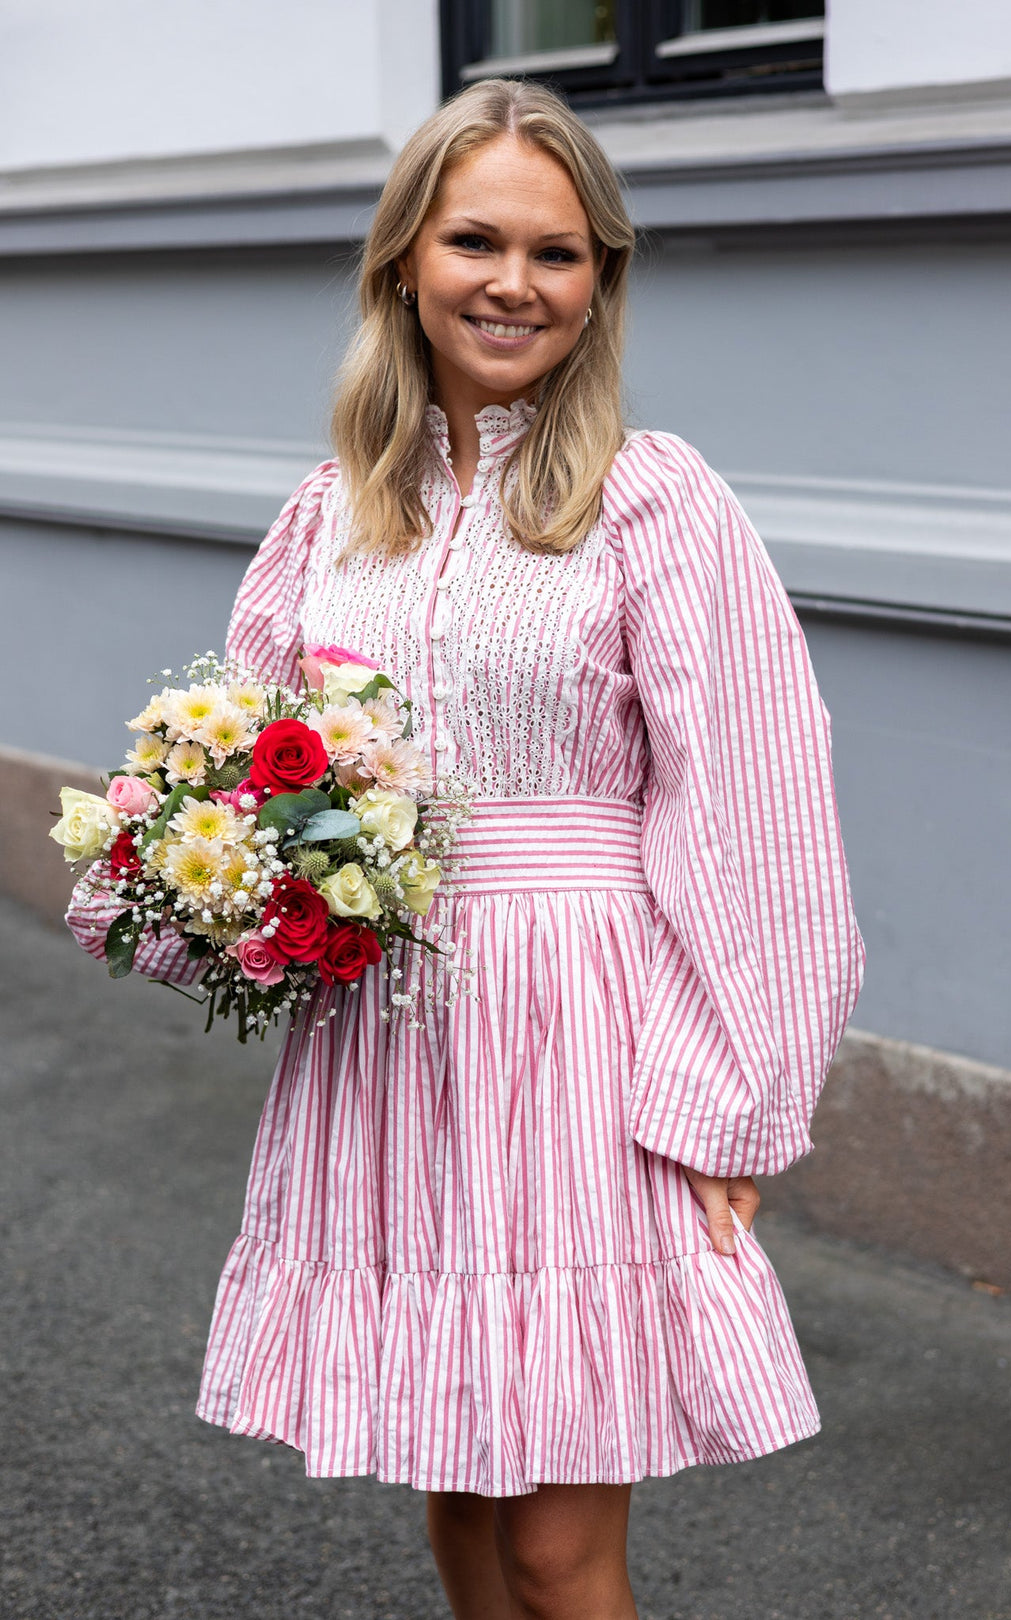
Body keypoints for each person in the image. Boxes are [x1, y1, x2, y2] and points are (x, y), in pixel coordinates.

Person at [69, 77, 863, 1620]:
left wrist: (729, 1100)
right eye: (478, 241)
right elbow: (239, 767)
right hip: (392, 1043)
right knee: (457, 1480)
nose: (516, 283)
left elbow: (758, 813)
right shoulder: (333, 514)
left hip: (583, 1039)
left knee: (562, 1546)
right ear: (403, 266)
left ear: (600, 280)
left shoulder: (655, 501)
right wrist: (203, 887)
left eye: (559, 253)